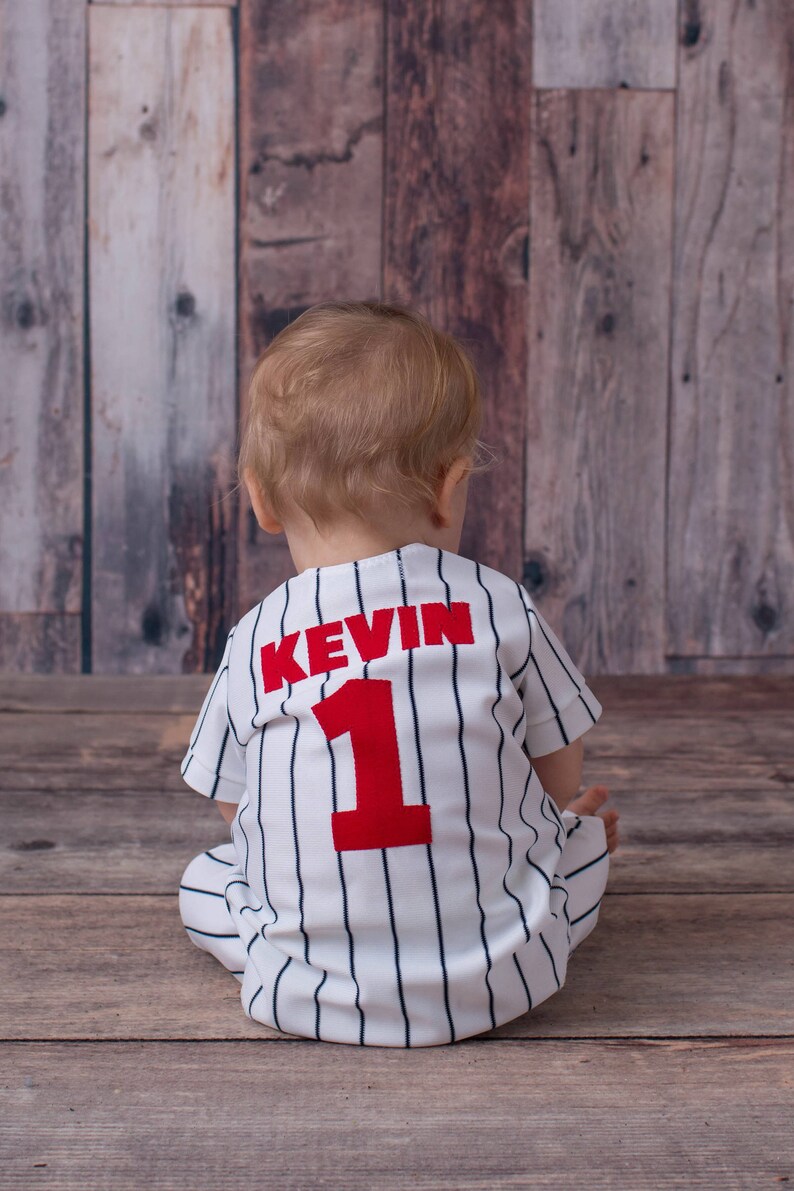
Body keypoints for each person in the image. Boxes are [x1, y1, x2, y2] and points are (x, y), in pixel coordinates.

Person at [178, 300, 620, 1048]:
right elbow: (555, 766)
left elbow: (234, 803)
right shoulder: (495, 602)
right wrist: (556, 826)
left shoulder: (255, 638)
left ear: (259, 499)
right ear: (450, 488)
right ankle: (579, 853)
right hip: (506, 973)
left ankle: (310, 946)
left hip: (304, 988)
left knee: (205, 878)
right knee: (575, 846)